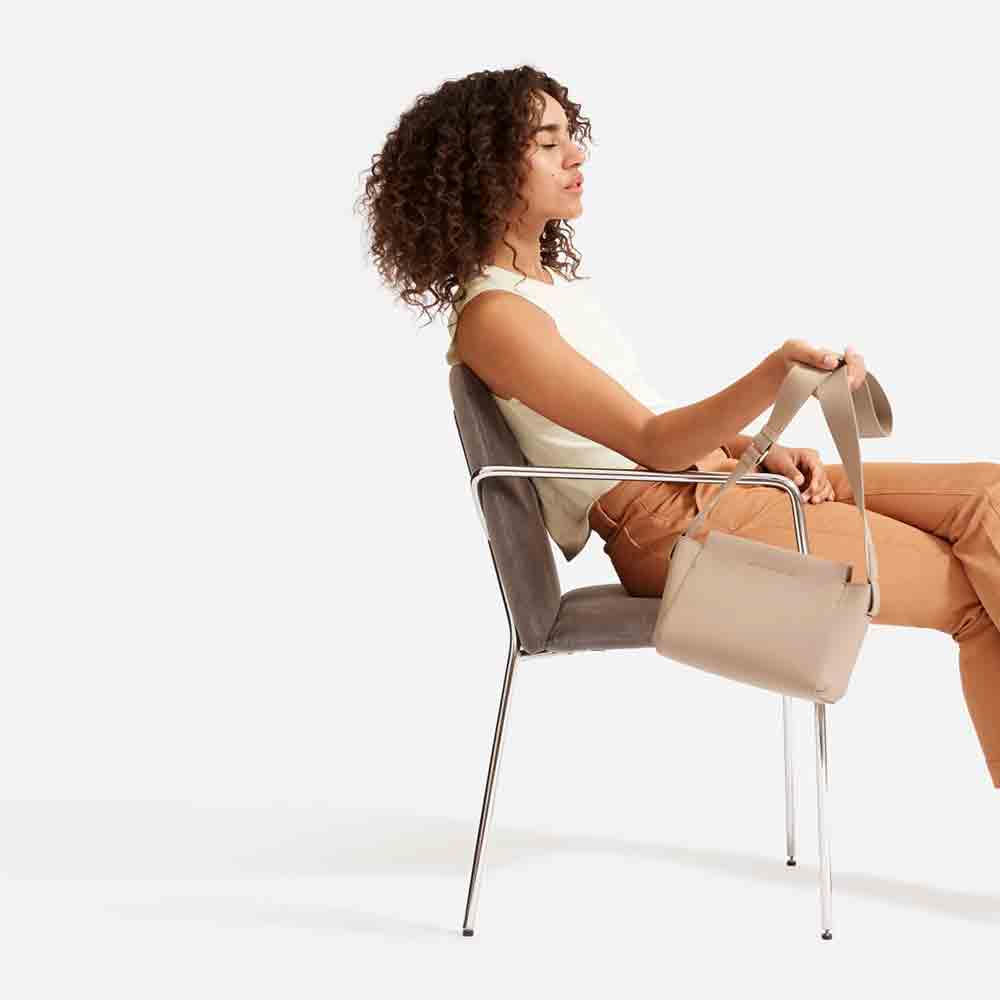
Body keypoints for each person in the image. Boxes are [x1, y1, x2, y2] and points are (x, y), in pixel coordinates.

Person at [355, 65, 1000, 790]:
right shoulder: (496, 317)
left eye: (571, 136)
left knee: (988, 498)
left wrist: (758, 449)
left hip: (716, 486)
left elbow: (635, 431)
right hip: (673, 528)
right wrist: (775, 374)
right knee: (975, 594)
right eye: (547, 142)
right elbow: (650, 442)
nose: (575, 155)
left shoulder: (549, 292)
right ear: (485, 167)